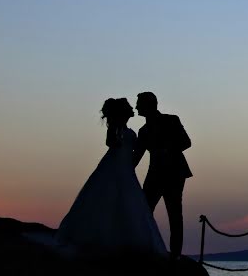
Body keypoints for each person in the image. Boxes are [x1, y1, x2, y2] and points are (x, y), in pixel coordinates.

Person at [56, 98, 167, 256]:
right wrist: (118, 141)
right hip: (115, 164)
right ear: (123, 112)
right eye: (129, 107)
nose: (132, 108)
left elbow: (139, 148)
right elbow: (110, 142)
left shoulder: (132, 131)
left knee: (128, 199)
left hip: (126, 168)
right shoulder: (117, 128)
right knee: (108, 195)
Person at [133, 92, 192, 260]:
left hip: (174, 173)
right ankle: (147, 247)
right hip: (154, 175)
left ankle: (175, 255)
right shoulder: (143, 131)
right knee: (144, 212)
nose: (136, 107)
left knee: (174, 213)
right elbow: (137, 156)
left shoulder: (171, 120)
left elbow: (186, 142)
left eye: (139, 104)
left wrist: (167, 149)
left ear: (149, 105)